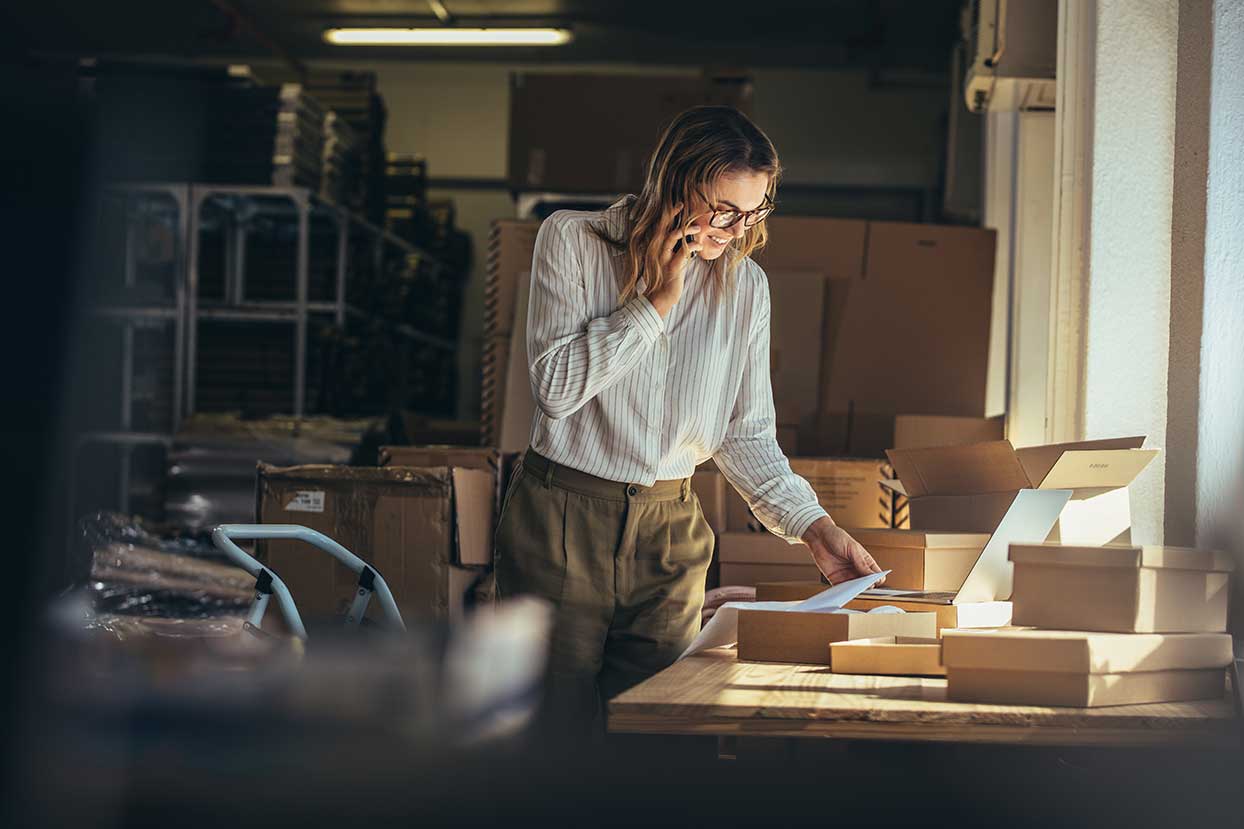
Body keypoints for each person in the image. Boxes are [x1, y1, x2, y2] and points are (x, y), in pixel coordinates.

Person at [494, 105, 883, 738]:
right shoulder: (572, 239)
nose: (736, 228)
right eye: (724, 209)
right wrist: (655, 305)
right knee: (549, 735)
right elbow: (555, 390)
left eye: (754, 212)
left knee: (658, 734)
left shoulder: (746, 287)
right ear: (675, 183)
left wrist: (815, 528)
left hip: (671, 531)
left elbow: (745, 433)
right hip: (561, 516)